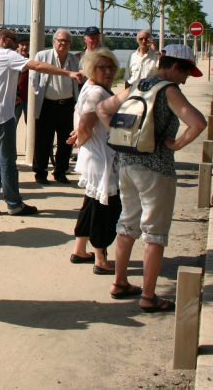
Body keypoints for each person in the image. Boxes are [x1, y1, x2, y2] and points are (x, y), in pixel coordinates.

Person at [97, 44, 206, 312]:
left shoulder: (136, 85)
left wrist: (120, 135)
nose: (186, 80)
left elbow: (102, 108)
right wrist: (176, 145)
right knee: (155, 233)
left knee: (127, 224)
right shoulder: (169, 90)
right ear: (175, 67)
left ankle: (120, 282)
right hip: (156, 168)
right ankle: (148, 295)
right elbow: (198, 122)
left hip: (127, 162)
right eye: (186, 74)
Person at [0, 29, 81, 216]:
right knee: (8, 162)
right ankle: (14, 204)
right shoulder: (7, 55)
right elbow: (38, 66)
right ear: (4, 39)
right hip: (1, 117)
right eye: (15, 40)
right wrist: (69, 74)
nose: (17, 45)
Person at [66, 48, 121, 274]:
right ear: (91, 69)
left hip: (96, 156)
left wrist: (81, 137)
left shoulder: (92, 87)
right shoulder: (98, 93)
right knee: (106, 208)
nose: (108, 71)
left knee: (91, 203)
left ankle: (80, 249)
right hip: (101, 159)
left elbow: (82, 122)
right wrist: (81, 139)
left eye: (111, 67)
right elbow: (85, 123)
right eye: (102, 68)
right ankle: (101, 258)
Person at [30, 29, 85, 184]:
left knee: (65, 141)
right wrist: (37, 94)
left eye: (66, 41)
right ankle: (40, 173)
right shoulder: (42, 56)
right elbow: (34, 78)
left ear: (70, 44)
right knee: (43, 141)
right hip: (47, 104)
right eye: (60, 40)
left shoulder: (75, 60)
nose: (63, 44)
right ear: (54, 41)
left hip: (67, 105)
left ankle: (60, 172)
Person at [13, 38, 31, 124]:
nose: (25, 47)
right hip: (15, 99)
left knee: (32, 126)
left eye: (27, 44)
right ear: (17, 46)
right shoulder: (12, 60)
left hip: (30, 100)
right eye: (22, 44)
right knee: (12, 125)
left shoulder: (33, 61)